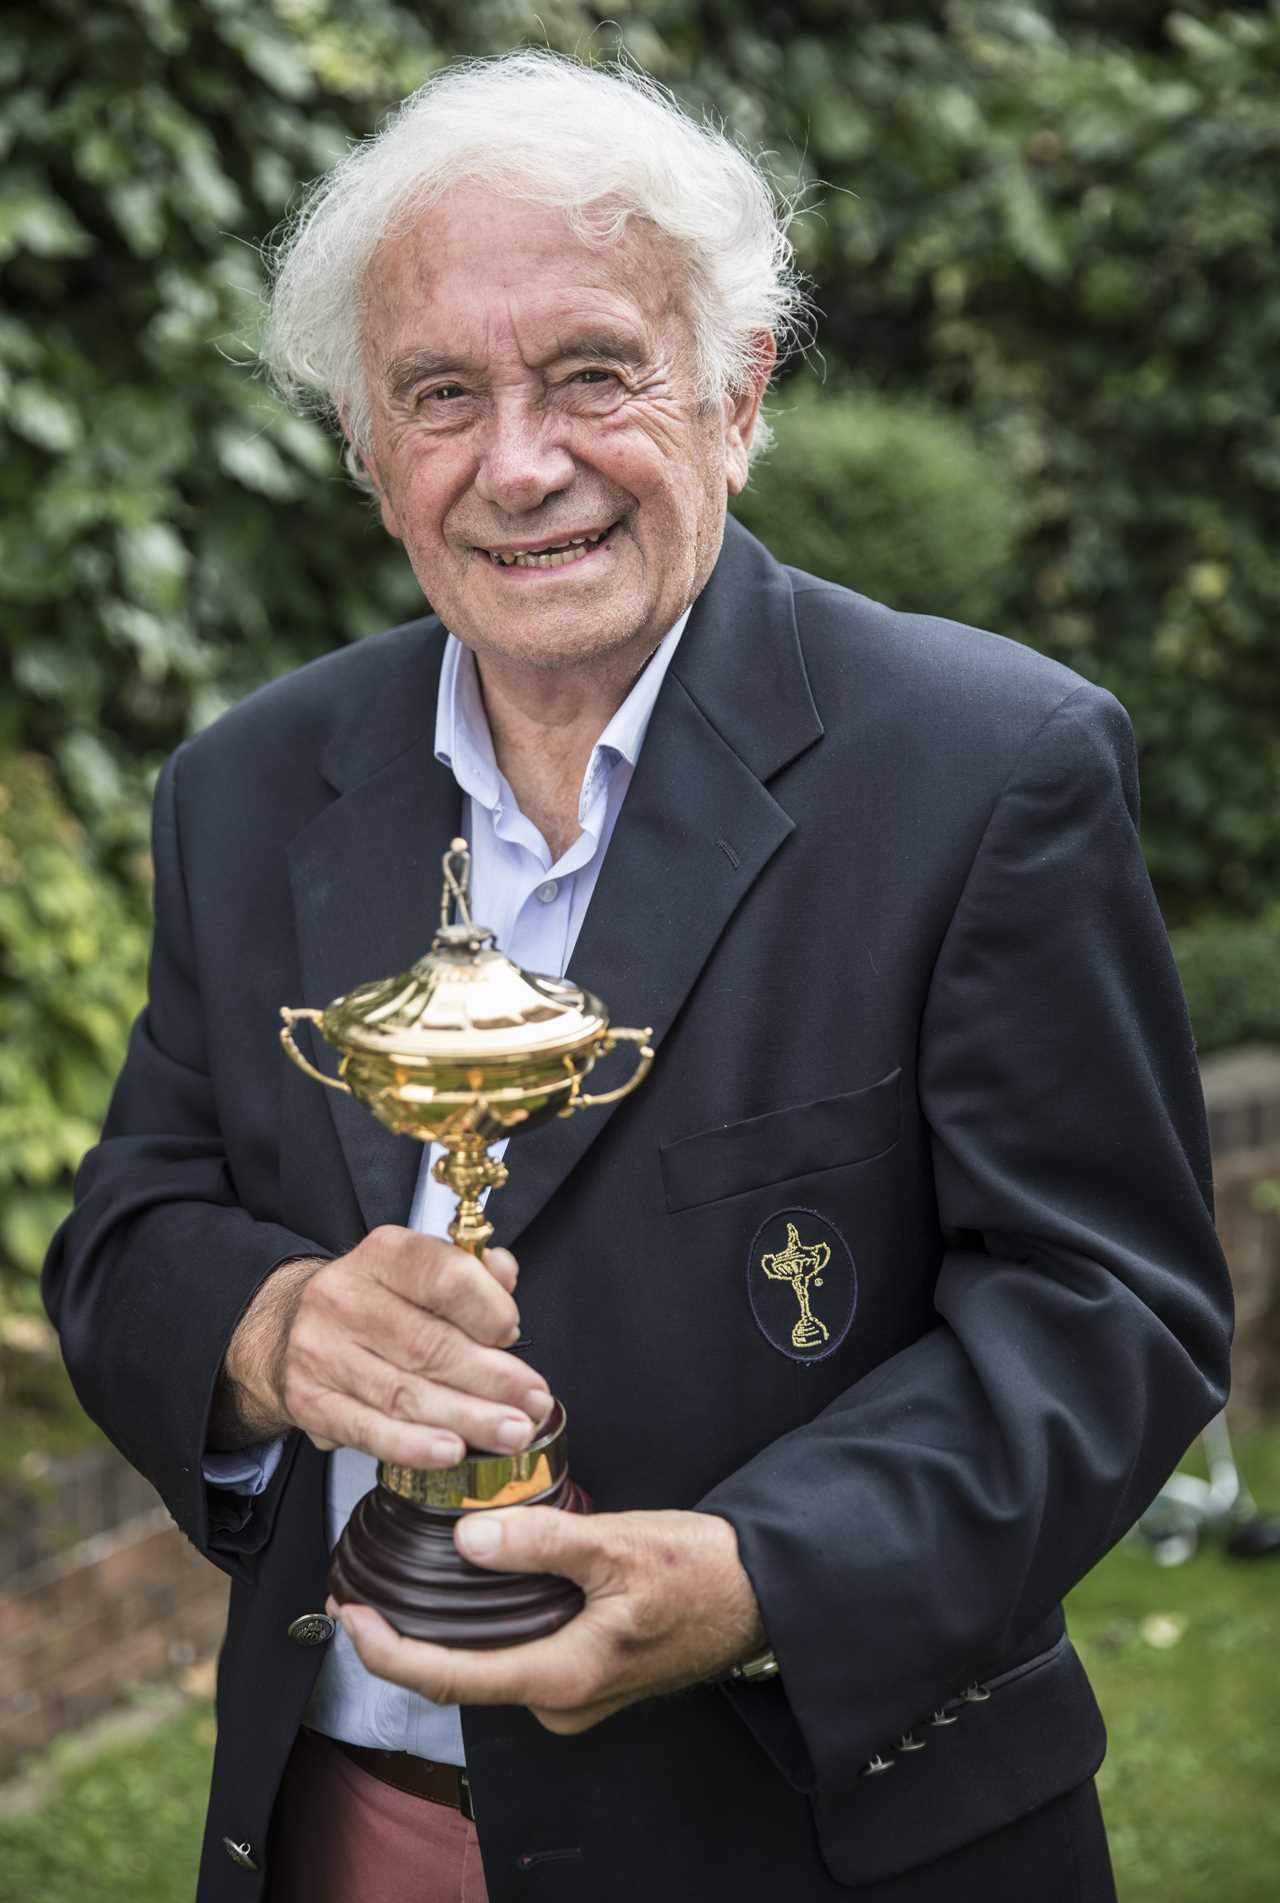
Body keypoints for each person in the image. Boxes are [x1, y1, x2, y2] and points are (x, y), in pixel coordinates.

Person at [44, 50, 1232, 1903]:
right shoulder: (250, 786)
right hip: (336, 1832)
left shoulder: (989, 766)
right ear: (371, 450)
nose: (519, 463)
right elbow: (129, 1230)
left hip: (812, 1841)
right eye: (443, 394)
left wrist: (763, 1574)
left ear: (738, 394)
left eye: (594, 372)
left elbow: (1107, 1311)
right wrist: (269, 1332)